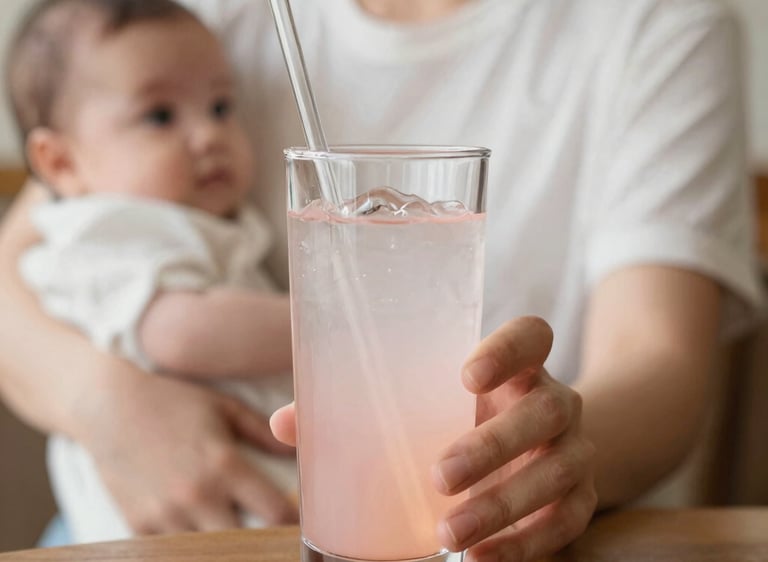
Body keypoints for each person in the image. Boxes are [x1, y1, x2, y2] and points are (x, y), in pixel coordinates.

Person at [0, 0, 764, 559]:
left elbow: (658, 358)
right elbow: (29, 251)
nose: (200, 129)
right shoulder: (187, 34)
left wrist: (553, 446)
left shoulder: (661, 24)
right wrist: (104, 403)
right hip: (158, 531)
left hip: (487, 537)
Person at [4, 0, 298, 544]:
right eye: (160, 116)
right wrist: (334, 320)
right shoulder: (106, 233)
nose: (208, 135)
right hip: (162, 524)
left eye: (221, 106)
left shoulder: (183, 223)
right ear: (62, 164)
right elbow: (181, 333)